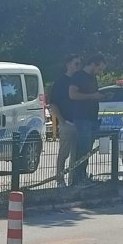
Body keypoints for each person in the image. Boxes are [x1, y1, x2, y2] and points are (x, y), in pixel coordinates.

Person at [69, 54, 107, 186]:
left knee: (88, 149)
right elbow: (72, 94)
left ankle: (83, 176)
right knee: (82, 149)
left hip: (92, 118)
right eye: (100, 69)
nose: (100, 72)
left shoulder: (92, 78)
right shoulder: (78, 76)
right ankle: (77, 178)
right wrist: (92, 96)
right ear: (93, 64)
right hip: (82, 118)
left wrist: (101, 96)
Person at [49, 54, 83, 188]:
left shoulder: (80, 81)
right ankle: (60, 181)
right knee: (64, 154)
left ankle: (73, 181)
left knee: (77, 155)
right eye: (76, 64)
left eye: (80, 64)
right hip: (66, 123)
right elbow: (53, 104)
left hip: (79, 123)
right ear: (68, 64)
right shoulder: (60, 82)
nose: (78, 66)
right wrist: (61, 121)